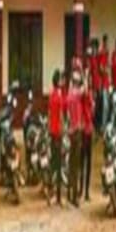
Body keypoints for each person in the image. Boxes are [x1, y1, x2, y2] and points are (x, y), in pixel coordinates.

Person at [67, 68, 84, 205]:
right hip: (77, 131)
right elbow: (86, 89)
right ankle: (74, 196)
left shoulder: (69, 95)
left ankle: (69, 192)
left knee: (70, 163)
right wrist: (86, 74)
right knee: (76, 165)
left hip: (70, 131)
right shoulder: (77, 94)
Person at [49, 68, 64, 205]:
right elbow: (61, 115)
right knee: (59, 165)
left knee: (53, 164)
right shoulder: (59, 95)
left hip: (52, 132)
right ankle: (58, 197)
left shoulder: (51, 94)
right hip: (58, 132)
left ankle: (51, 193)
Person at [81, 73, 94, 201]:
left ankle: (85, 191)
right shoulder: (85, 95)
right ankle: (82, 190)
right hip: (84, 130)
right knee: (83, 161)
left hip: (88, 130)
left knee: (87, 162)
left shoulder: (89, 95)